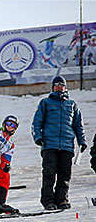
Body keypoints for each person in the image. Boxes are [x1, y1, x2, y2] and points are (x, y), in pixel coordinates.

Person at [32, 76, 87, 210]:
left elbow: (78, 125)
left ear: (65, 87)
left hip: (67, 145)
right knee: (49, 174)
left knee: (64, 175)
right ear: (52, 87)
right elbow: (36, 122)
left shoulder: (72, 105)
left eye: (62, 84)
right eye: (56, 84)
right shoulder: (45, 102)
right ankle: (48, 201)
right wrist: (38, 137)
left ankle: (62, 200)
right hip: (49, 145)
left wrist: (82, 141)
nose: (59, 86)